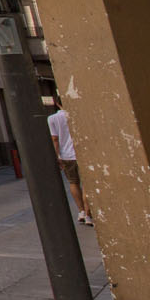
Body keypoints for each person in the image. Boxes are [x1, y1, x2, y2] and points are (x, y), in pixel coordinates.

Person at [47, 95, 90, 226]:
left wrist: (57, 156)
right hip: (82, 154)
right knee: (86, 185)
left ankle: (81, 211)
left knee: (73, 183)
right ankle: (89, 215)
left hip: (66, 156)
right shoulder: (77, 116)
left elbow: (54, 139)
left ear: (58, 104)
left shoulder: (52, 118)